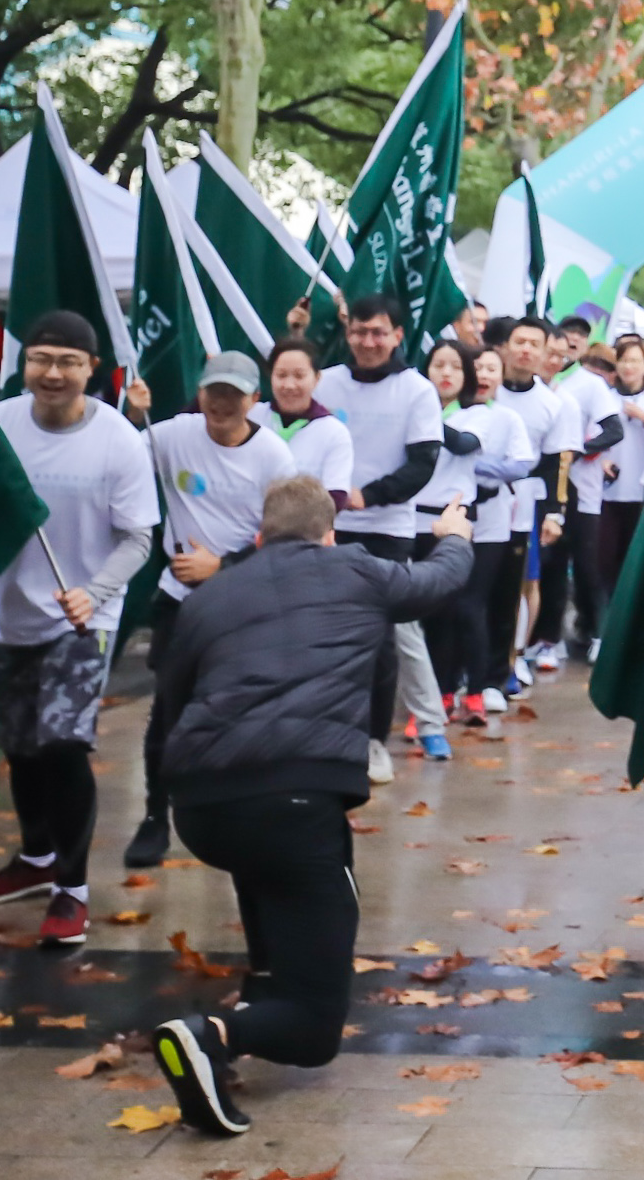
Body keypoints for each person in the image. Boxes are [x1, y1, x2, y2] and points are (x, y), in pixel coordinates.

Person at [149, 481, 478, 1136]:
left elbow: (168, 706)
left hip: (205, 806)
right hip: (294, 797)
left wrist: (156, 810)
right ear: (330, 532)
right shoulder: (352, 566)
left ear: (259, 535)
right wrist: (453, 534)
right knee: (316, 1027)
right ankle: (213, 1033)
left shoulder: (211, 594)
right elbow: (439, 580)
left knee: (263, 864)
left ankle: (260, 995)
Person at [0, 311, 159, 948]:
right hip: (4, 613)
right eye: (41, 359)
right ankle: (36, 857)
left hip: (82, 617)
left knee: (64, 743)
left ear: (90, 370)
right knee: (21, 745)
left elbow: (138, 538)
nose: (52, 373)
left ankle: (71, 889)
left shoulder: (119, 441)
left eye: (67, 362)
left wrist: (93, 592)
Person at [125, 353, 298, 870]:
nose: (221, 403)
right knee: (167, 714)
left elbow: (287, 537)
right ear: (199, 394)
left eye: (233, 394)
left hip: (246, 602)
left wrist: (221, 566)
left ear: (253, 400)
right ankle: (156, 815)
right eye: (213, 392)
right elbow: (121, 462)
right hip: (179, 602)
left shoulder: (273, 456)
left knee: (242, 712)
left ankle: (236, 809)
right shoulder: (173, 435)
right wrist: (135, 417)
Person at [315, 296, 446, 773]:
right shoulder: (325, 383)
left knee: (382, 638)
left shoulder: (416, 390)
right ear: (347, 334)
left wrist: (367, 496)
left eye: (378, 333)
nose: (368, 342)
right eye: (359, 332)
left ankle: (374, 741)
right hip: (326, 529)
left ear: (396, 335)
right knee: (323, 634)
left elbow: (423, 464)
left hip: (387, 530)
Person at [489, 316, 577, 691]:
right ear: (506, 345)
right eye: (519, 341)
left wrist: (555, 513)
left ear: (544, 353)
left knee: (526, 581)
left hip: (527, 503)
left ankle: (516, 655)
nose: (525, 350)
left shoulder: (552, 404)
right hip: (483, 498)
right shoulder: (487, 390)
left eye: (533, 344)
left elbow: (558, 462)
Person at [455, 343, 535, 717]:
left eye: (491, 369)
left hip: (495, 519)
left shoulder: (506, 419)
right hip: (450, 517)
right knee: (451, 602)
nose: (484, 376)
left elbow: (520, 464)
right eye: (477, 369)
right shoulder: (449, 413)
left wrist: (475, 465)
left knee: (487, 600)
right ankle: (451, 678)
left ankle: (489, 680)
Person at [549, 319, 628, 665]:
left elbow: (614, 429)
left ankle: (598, 633)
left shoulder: (589, 384)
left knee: (587, 566)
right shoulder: (542, 381)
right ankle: (548, 639)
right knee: (549, 567)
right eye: (568, 335)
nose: (573, 341)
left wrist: (580, 450)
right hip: (545, 489)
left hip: (584, 489)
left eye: (580, 336)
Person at [596, 336, 644, 659]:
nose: (628, 367)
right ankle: (602, 632)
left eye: (635, 361)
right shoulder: (604, 398)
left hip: (642, 493)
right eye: (623, 360)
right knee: (604, 564)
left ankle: (638, 634)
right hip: (607, 494)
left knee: (637, 565)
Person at [255, 339, 356, 510]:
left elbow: (336, 496)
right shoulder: (251, 415)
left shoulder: (333, 432)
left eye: (299, 376)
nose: (289, 385)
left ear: (317, 378)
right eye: (281, 375)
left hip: (304, 533)